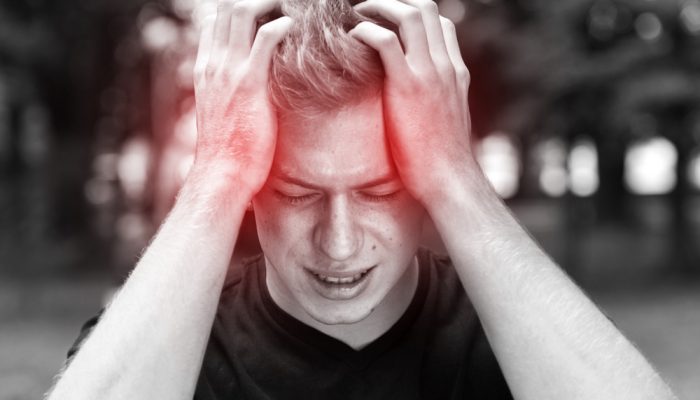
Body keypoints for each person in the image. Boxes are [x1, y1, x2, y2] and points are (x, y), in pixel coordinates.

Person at [47, 0, 678, 399]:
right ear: (253, 185)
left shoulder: (510, 336)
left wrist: (457, 178)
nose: (340, 243)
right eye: (297, 194)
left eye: (380, 191)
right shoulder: (170, 340)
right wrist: (215, 176)